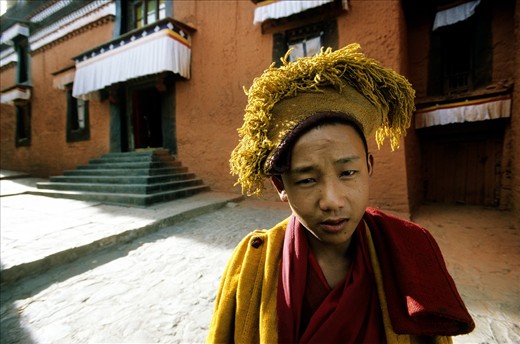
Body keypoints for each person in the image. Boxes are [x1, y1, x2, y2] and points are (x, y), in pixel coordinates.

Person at [207, 43, 475, 343]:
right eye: (307, 180)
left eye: (348, 173)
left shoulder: (410, 252)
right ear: (281, 186)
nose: (332, 201)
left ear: (369, 168)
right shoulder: (252, 265)